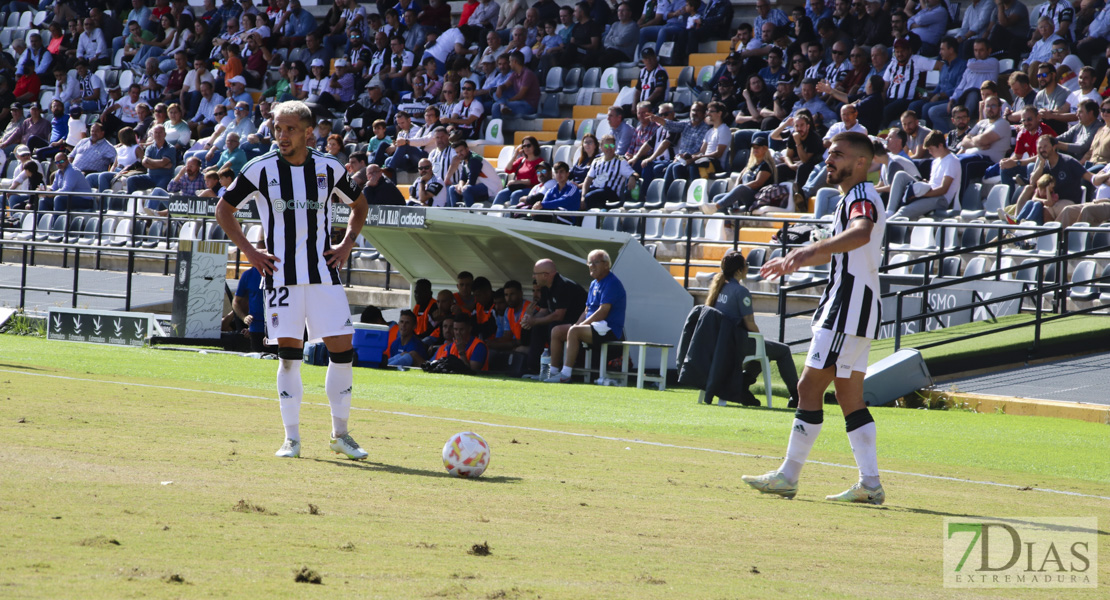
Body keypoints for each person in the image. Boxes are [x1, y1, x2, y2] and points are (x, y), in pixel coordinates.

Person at [214, 100, 371, 461]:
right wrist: (250, 254)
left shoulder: (329, 167)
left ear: (307, 131)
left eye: (289, 129)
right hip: (281, 277)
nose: (281, 136)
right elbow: (224, 209)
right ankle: (292, 439)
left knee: (343, 353)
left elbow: (359, 206)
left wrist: (346, 244)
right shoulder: (259, 168)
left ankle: (341, 434)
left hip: (322, 275)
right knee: (289, 358)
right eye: (276, 129)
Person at [745, 131, 886, 505]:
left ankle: (788, 476)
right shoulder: (853, 197)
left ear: (860, 163)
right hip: (856, 305)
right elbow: (846, 248)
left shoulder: (860, 197)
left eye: (837, 154)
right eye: (829, 153)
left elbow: (861, 232)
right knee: (847, 395)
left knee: (809, 388)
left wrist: (806, 252)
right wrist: (795, 258)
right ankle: (870, 484)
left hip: (848, 305)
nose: (829, 159)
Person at [706, 250, 800, 406]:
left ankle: (742, 387)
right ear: (738, 270)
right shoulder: (741, 291)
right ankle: (797, 397)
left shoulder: (719, 287)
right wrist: (760, 338)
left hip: (722, 343)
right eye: (746, 265)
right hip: (735, 343)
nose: (748, 267)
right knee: (782, 350)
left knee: (766, 349)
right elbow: (750, 324)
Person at [545, 249, 626, 384]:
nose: (591, 266)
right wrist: (577, 324)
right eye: (589, 263)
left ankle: (565, 374)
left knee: (574, 331)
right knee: (557, 331)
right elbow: (586, 310)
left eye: (596, 262)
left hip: (609, 328)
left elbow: (603, 312)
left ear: (606, 265)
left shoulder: (612, 283)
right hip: (594, 327)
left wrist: (579, 327)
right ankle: (552, 372)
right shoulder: (594, 283)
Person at [522, 257, 588, 378]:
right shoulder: (546, 287)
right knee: (538, 328)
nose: (533, 277)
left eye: (535, 274)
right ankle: (536, 369)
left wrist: (535, 320)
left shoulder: (562, 285)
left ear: (545, 275)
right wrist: (530, 319)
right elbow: (543, 311)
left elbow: (558, 315)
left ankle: (554, 371)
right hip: (563, 323)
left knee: (553, 327)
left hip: (579, 325)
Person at [885, 130, 960, 220]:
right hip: (930, 192)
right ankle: (889, 212)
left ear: (940, 145)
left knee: (905, 210)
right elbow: (933, 183)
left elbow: (943, 189)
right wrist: (923, 185)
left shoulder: (952, 161)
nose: (930, 152)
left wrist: (921, 194)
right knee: (900, 175)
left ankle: (887, 224)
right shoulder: (936, 161)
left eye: (931, 149)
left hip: (941, 199)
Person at [705, 132, 776, 214]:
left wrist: (739, 188)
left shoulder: (766, 165)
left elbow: (758, 183)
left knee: (741, 188)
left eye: (758, 147)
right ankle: (727, 224)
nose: (755, 149)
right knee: (717, 198)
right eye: (753, 147)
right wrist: (736, 187)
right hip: (743, 196)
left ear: (765, 149)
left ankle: (715, 207)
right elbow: (741, 176)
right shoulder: (750, 165)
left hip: (757, 197)